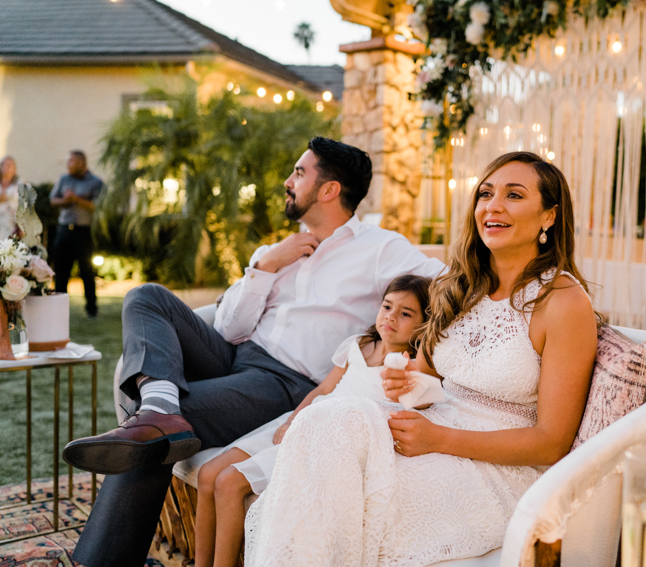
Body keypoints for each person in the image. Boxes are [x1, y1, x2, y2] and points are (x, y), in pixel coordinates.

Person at [63, 137, 444, 567]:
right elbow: (228, 326)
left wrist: (418, 355)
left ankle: (101, 558)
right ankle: (160, 403)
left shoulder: (379, 249)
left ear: (329, 190)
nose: (288, 181)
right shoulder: (278, 250)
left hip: (284, 382)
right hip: (235, 353)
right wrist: (264, 268)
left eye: (299, 173)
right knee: (146, 297)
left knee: (150, 430)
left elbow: (448, 285)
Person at [243, 151, 599, 566]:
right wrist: (407, 383)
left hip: (494, 469)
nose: (493, 206)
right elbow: (425, 378)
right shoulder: (462, 285)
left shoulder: (562, 302)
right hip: (430, 433)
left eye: (514, 195)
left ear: (549, 216)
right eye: (485, 194)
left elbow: (552, 442)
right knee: (321, 421)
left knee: (347, 491)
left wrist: (440, 438)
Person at [194, 274, 432, 567]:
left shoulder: (407, 374)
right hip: (301, 418)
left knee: (229, 483)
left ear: (424, 324)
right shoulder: (358, 345)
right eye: (387, 307)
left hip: (323, 440)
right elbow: (322, 389)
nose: (391, 317)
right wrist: (292, 420)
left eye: (405, 313)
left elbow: (424, 402)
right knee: (208, 474)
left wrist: (417, 375)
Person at [49, 150, 103, 317]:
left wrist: (77, 200)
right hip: (64, 229)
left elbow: (98, 205)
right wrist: (65, 201)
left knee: (86, 270)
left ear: (81, 163)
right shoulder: (64, 179)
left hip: (83, 231)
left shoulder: (95, 182)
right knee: (61, 271)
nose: (68, 165)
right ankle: (58, 309)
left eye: (71, 162)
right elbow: (53, 200)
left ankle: (91, 309)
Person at [0, 156, 21, 239]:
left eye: (9, 165)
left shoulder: (19, 187)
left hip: (10, 225)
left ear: (14, 169)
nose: (7, 168)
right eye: (4, 165)